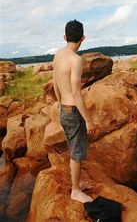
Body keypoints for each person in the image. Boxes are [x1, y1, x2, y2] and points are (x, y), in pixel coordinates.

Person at [52, 19, 96, 203]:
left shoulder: (57, 56)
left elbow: (55, 83)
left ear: (64, 37)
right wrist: (88, 119)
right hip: (73, 110)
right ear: (83, 38)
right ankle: (75, 191)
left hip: (64, 108)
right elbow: (77, 92)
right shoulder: (75, 60)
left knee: (73, 149)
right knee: (77, 153)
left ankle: (77, 183)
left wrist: (60, 103)